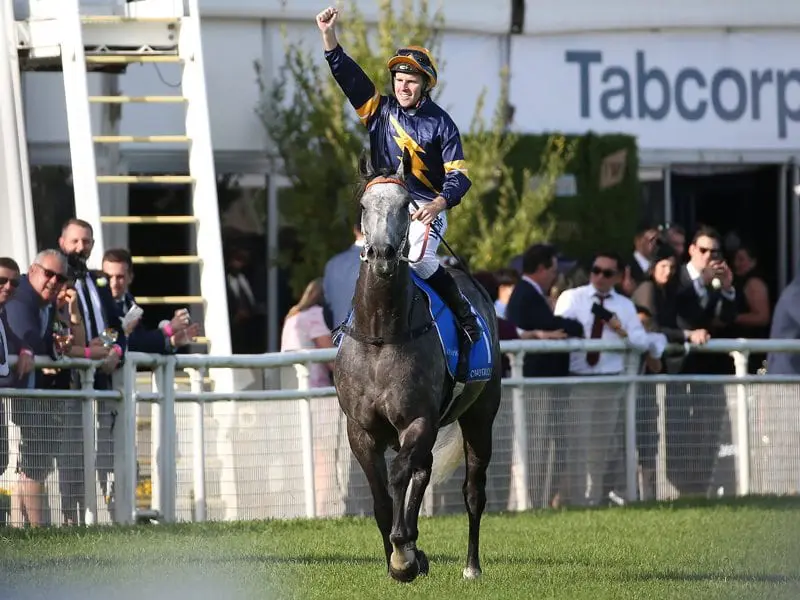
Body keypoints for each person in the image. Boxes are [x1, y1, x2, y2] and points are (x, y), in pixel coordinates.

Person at [316, 6, 480, 356]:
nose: (403, 86)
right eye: (399, 80)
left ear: (425, 85)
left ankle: (464, 314)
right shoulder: (379, 111)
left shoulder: (442, 124)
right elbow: (349, 77)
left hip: (423, 207)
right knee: (371, 259)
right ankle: (353, 324)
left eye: (411, 81)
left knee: (418, 261)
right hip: (384, 202)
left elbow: (459, 177)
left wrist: (438, 205)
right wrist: (329, 37)